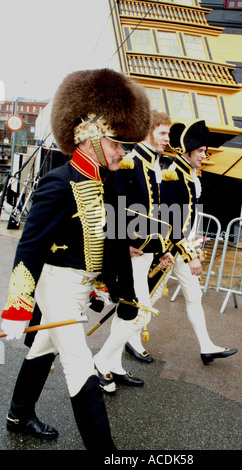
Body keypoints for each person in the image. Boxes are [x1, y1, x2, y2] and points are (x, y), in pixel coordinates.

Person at [0, 68, 151, 450]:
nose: (124, 152)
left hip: (82, 286)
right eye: (118, 143)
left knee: (44, 346)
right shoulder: (58, 182)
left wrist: (116, 288)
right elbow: (30, 247)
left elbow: (110, 242)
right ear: (90, 136)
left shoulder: (109, 181)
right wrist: (18, 307)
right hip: (56, 285)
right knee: (79, 365)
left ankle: (18, 413)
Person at [126, 119, 238, 366]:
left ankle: (207, 346)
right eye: (201, 151)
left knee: (193, 295)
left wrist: (194, 248)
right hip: (166, 251)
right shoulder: (173, 175)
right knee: (149, 298)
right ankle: (130, 340)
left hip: (182, 250)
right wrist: (191, 255)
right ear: (187, 151)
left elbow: (189, 222)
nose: (204, 155)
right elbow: (170, 223)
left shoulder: (190, 175)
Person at [93, 110, 175, 393]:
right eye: (163, 132)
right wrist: (122, 242)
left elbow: (156, 212)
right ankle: (101, 361)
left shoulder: (155, 164)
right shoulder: (131, 162)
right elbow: (114, 204)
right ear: (148, 132)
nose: (167, 138)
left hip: (149, 248)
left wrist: (164, 247)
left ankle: (114, 365)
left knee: (129, 311)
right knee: (136, 312)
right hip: (132, 251)